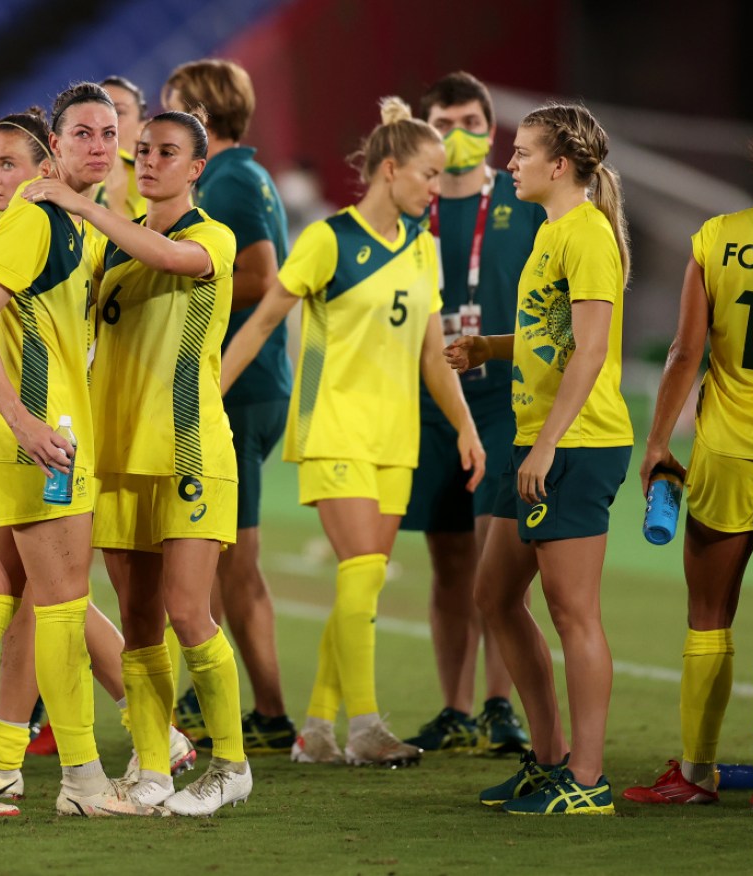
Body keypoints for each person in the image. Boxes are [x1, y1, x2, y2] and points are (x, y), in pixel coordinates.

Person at [0, 82, 158, 818]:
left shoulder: (76, 223)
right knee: (60, 606)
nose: (100, 147)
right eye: (83, 134)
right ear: (54, 149)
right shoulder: (36, 222)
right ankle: (81, 782)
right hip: (31, 442)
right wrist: (23, 423)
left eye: (110, 134)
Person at [223, 97, 485, 768]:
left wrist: (463, 426)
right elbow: (258, 325)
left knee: (358, 585)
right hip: (334, 429)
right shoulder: (326, 240)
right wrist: (205, 395)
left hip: (395, 439)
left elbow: (432, 353)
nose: (434, 190)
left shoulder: (424, 250)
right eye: (427, 176)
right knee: (363, 572)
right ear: (389, 169)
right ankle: (364, 727)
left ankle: (315, 729)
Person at [21, 108, 252, 814]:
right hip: (116, 456)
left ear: (196, 168)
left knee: (189, 611)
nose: (148, 161)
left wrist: (79, 206)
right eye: (142, 150)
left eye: (167, 152)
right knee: (140, 625)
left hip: (188, 450)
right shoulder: (113, 251)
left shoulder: (210, 237)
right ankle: (152, 767)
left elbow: (168, 258)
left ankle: (230, 765)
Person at [448, 103, 632, 815]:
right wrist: (491, 348)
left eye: (521, 152)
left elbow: (591, 350)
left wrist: (548, 443)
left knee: (572, 612)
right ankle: (549, 759)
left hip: (577, 445)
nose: (508, 163)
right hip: (537, 439)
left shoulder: (584, 233)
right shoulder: (552, 232)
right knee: (493, 597)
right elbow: (549, 333)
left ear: (559, 165)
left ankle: (586, 782)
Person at [401, 71, 540, 755]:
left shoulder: (523, 201)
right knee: (449, 561)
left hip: (504, 400)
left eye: (471, 123)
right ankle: (455, 708)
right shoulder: (409, 209)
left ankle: (496, 703)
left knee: (496, 562)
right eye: (445, 125)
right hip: (428, 404)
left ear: (493, 131)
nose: (459, 136)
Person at [161, 58, 296, 754]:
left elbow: (262, 275)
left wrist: (179, 282)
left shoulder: (233, 179)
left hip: (236, 392)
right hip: (244, 388)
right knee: (210, 553)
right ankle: (209, 693)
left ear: (201, 116)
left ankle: (270, 712)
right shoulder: (235, 174)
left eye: (172, 107)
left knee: (233, 559)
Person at [621, 150, 753, 808]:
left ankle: (698, 774)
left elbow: (684, 351)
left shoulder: (718, 240)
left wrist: (655, 444)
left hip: (728, 450)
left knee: (709, 615)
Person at [96, 75, 146, 220]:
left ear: (141, 129)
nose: (106, 120)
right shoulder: (68, 177)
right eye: (99, 111)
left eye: (118, 112)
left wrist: (117, 206)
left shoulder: (161, 182)